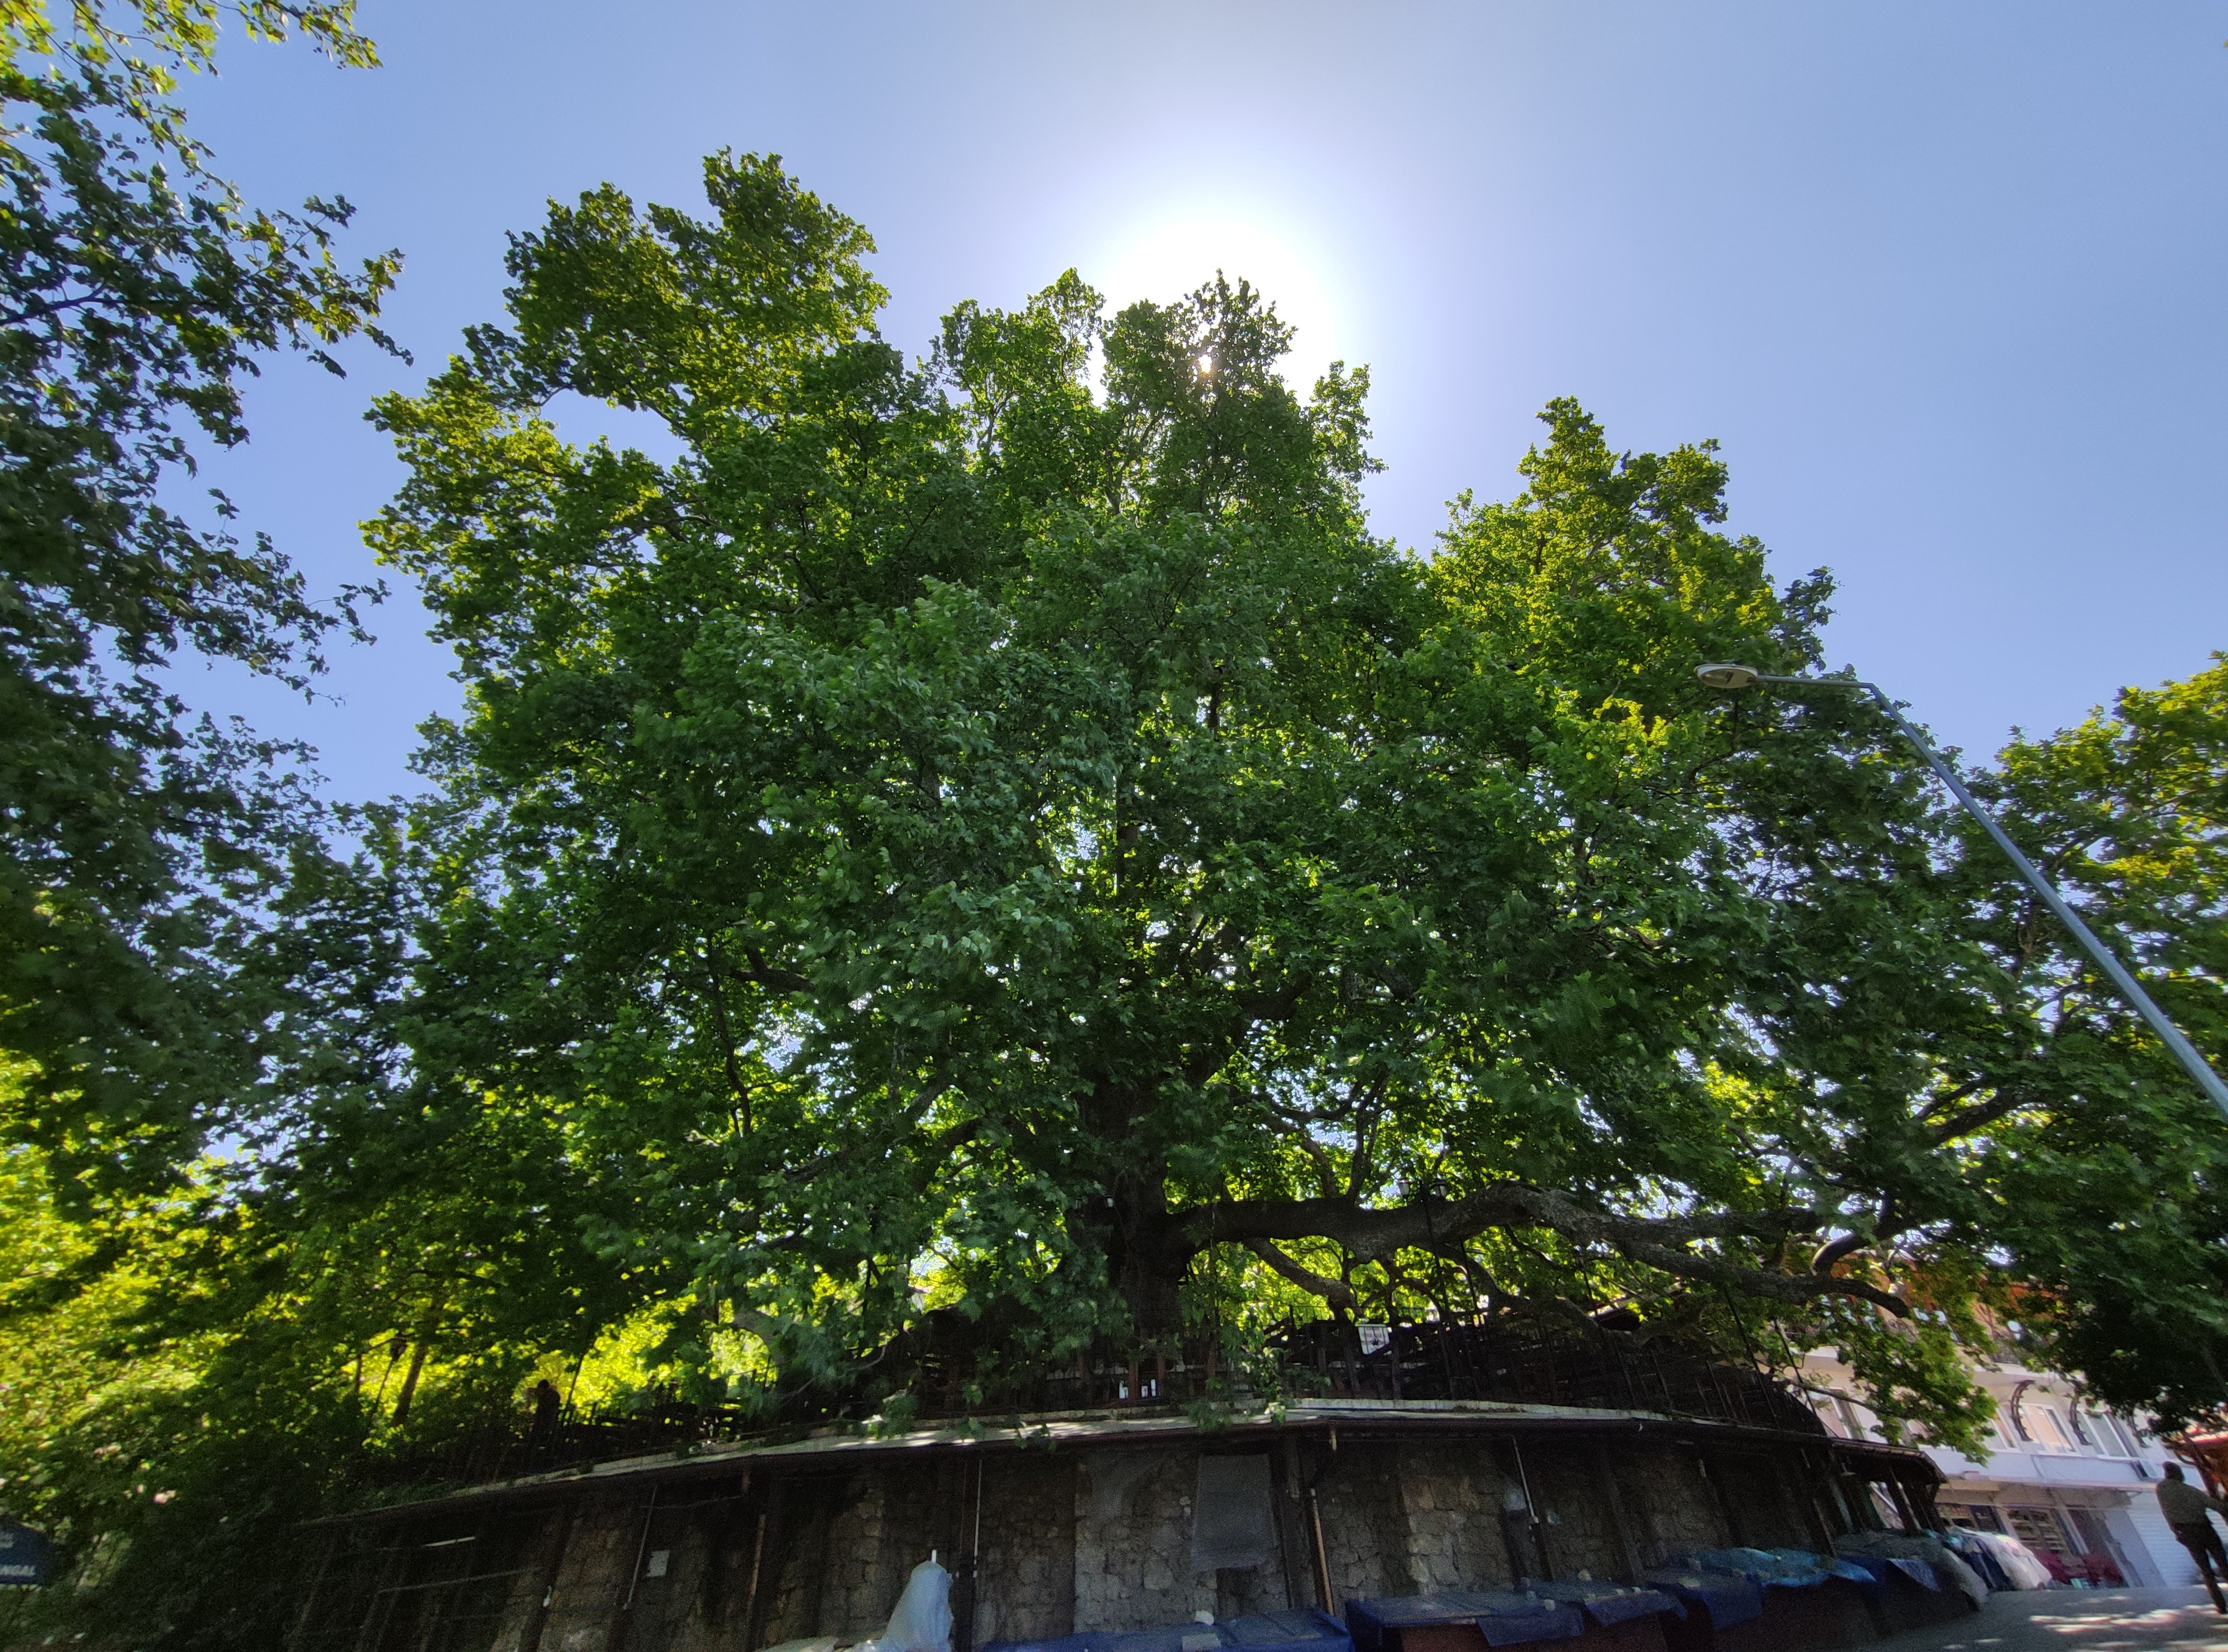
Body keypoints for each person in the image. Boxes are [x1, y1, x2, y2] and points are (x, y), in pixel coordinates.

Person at [2157, 1462, 2228, 1614]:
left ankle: (2220, 1605)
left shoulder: (2162, 1489)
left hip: (2186, 1533)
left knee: (2206, 1571)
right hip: (2205, 1529)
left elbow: (2166, 1513)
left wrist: (2176, 1532)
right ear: (2179, 1474)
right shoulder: (2191, 1491)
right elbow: (2218, 1507)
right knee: (2223, 1565)